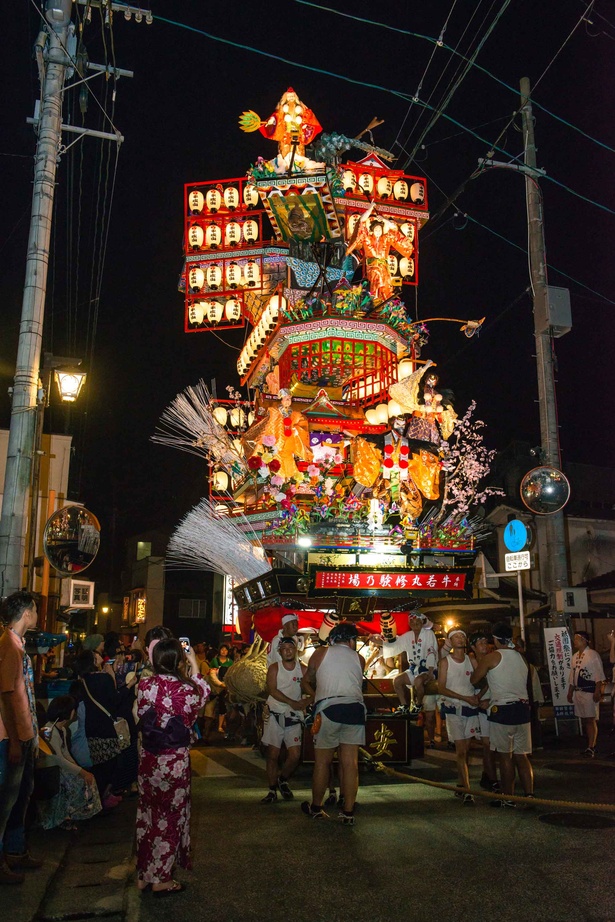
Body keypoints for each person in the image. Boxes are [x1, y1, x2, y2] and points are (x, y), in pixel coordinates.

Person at [135, 638, 209, 895]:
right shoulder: (186, 690)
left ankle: (145, 873)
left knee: (148, 814)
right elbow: (201, 699)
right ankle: (162, 879)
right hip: (174, 760)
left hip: (149, 759)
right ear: (178, 660)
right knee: (170, 818)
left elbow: (143, 712)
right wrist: (194, 665)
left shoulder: (144, 686)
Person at [301, 622, 366, 825]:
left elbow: (307, 679)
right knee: (350, 763)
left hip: (328, 709)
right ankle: (348, 812)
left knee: (323, 761)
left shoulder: (320, 654)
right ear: (351, 640)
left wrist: (315, 696)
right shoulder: (360, 658)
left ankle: (317, 807)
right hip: (355, 710)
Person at [0, 591, 42, 885]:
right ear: (27, 612)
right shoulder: (10, 646)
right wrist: (15, 740)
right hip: (13, 735)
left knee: (20, 797)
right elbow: (6, 694)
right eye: (36, 609)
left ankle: (14, 850)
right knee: (6, 801)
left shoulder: (15, 644)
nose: (37, 614)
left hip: (25, 733)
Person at [471, 622, 533, 809]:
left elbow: (474, 679)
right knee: (522, 756)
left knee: (505, 756)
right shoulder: (522, 658)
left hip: (502, 710)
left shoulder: (492, 657)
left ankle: (508, 797)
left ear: (496, 639)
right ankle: (530, 795)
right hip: (523, 709)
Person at [73, 649, 135, 808]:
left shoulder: (84, 680)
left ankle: (95, 800)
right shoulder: (104, 678)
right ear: (94, 661)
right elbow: (114, 701)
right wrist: (128, 685)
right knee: (114, 764)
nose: (101, 655)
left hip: (92, 728)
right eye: (96, 655)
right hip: (106, 729)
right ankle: (98, 800)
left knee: (100, 766)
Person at [37, 695, 102, 830]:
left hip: (57, 768)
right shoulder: (49, 731)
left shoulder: (62, 729)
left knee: (84, 778)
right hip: (49, 771)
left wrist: (79, 770)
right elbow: (58, 759)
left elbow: (65, 753)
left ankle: (73, 814)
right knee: (79, 781)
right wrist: (81, 772)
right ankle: (69, 815)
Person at [260, 636, 310, 804]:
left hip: (294, 716)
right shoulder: (275, 668)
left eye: (291, 647)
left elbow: (315, 689)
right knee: (273, 754)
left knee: (295, 755)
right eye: (285, 648)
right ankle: (272, 789)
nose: (288, 650)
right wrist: (292, 702)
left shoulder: (303, 670)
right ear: (280, 651)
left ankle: (283, 778)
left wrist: (306, 701)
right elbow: (272, 690)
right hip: (275, 713)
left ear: (296, 650)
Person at [438, 629, 481, 805]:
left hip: (470, 709)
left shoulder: (471, 660)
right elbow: (440, 688)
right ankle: (468, 791)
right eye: (456, 636)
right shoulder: (445, 661)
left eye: (462, 635)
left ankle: (460, 784)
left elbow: (481, 681)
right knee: (461, 751)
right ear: (450, 641)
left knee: (466, 751)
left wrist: (478, 698)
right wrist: (464, 698)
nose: (460, 638)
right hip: (453, 708)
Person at [382, 612, 438, 714]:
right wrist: (379, 642)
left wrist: (430, 671)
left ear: (422, 623)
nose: (415, 625)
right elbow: (395, 645)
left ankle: (418, 704)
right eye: (412, 623)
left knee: (418, 681)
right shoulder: (408, 636)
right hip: (413, 669)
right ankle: (404, 705)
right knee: (397, 680)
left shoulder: (429, 634)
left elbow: (431, 651)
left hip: (427, 669)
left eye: (418, 622)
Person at [468, 631, 499, 793]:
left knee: (494, 745)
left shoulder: (493, 659)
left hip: (494, 703)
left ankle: (487, 775)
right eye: (480, 643)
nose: (484, 646)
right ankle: (491, 778)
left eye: (486, 642)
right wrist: (479, 698)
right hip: (482, 707)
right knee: (487, 745)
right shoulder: (471, 661)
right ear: (473, 646)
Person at [567, 630, 605, 757]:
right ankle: (590, 744)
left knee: (590, 718)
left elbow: (599, 674)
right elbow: (572, 675)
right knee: (585, 719)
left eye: (577, 639)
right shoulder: (575, 656)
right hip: (579, 691)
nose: (574, 641)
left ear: (584, 640)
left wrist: (597, 690)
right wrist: (570, 692)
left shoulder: (593, 654)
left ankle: (592, 746)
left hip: (589, 690)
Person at [208, 643, 233, 734]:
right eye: (222, 649)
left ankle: (222, 725)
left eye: (225, 650)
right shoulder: (215, 660)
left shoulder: (230, 662)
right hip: (215, 687)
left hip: (226, 687)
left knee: (225, 705)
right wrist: (220, 684)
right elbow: (212, 675)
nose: (224, 651)